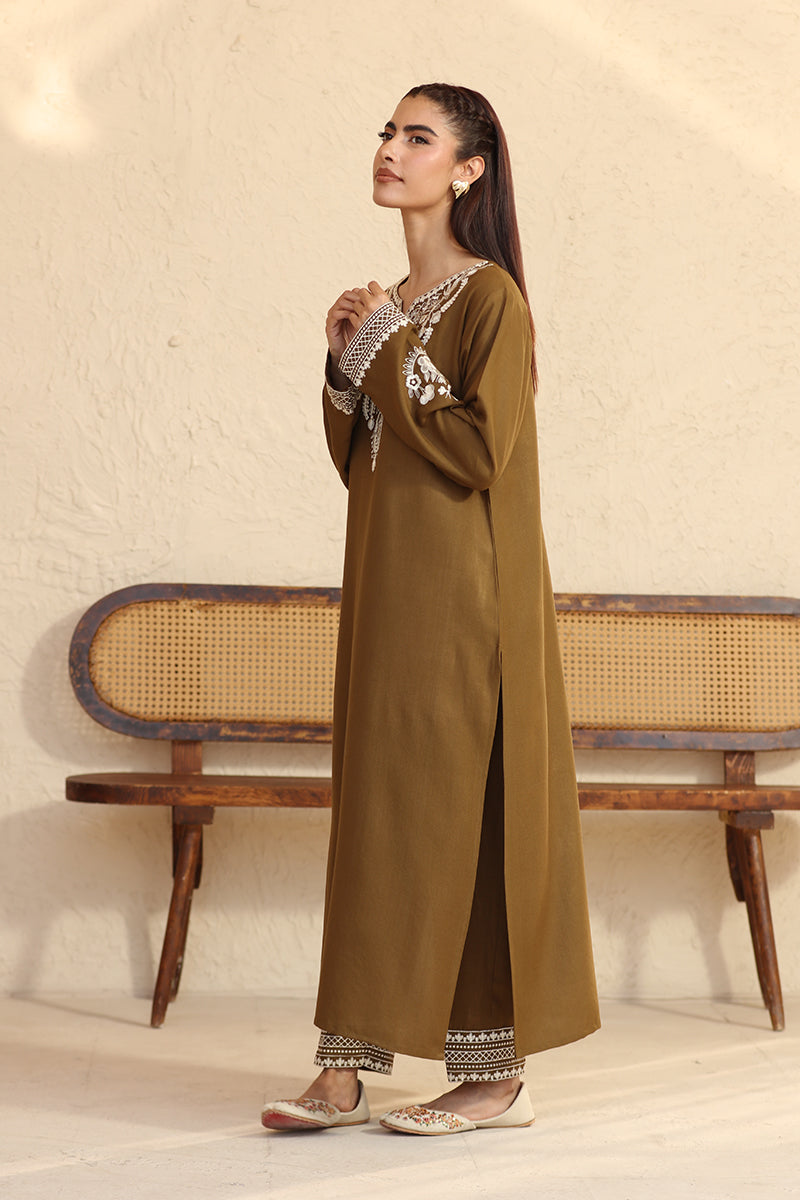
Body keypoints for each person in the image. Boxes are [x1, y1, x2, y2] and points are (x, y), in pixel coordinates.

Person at [261, 82, 599, 1136]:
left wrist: (381, 351)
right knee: (379, 814)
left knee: (470, 815)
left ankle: (494, 1078)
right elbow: (364, 460)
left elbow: (475, 449)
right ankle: (344, 1066)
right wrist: (345, 364)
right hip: (388, 588)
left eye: (418, 137)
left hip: (465, 600)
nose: (390, 150)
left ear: (467, 170)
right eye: (387, 132)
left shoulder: (490, 299)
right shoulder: (394, 303)